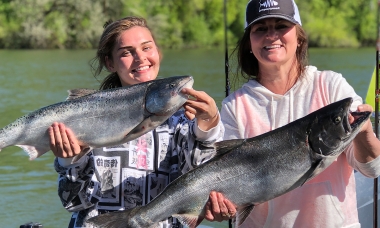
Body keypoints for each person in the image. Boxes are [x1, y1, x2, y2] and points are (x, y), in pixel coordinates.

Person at [48, 16, 229, 228]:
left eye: (146, 48)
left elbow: (203, 185)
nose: (140, 58)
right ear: (110, 63)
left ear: (158, 53)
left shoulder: (185, 119)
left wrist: (208, 126)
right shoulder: (88, 120)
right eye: (126, 52)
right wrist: (70, 161)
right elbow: (73, 202)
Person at [218, 0, 380, 227]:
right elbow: (225, 192)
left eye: (281, 25)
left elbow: (372, 168)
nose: (271, 35)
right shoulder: (233, 106)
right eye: (260, 28)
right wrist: (222, 205)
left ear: (299, 37)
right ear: (249, 43)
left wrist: (364, 131)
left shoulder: (332, 86)